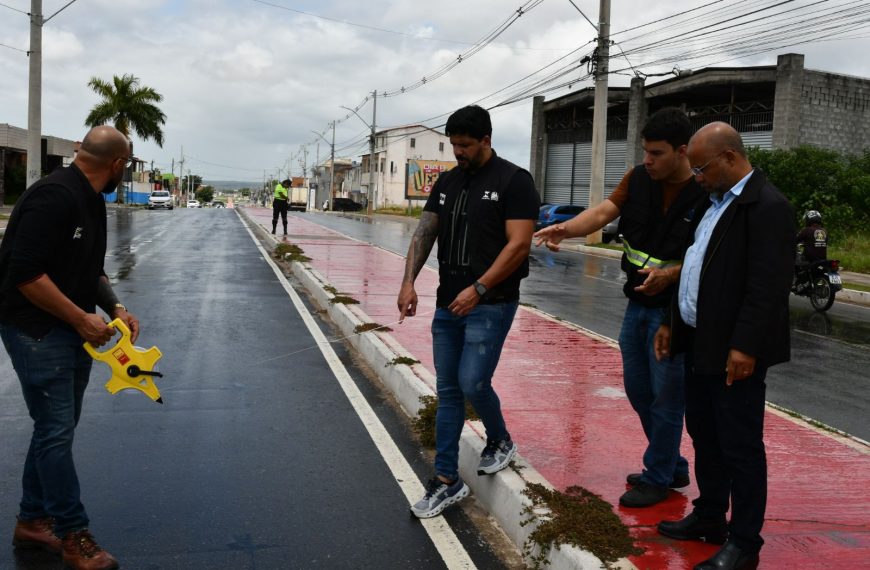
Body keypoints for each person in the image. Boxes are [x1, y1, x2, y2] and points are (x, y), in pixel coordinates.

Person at [534, 107, 709, 508]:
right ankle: (672, 463)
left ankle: (659, 475)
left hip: (675, 312)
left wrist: (674, 275)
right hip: (638, 305)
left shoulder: (703, 193)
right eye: (645, 151)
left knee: (667, 398)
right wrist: (566, 228)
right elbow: (603, 212)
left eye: (657, 153)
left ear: (682, 152)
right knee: (637, 389)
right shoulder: (638, 178)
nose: (647, 160)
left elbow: (711, 254)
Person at [654, 122, 794, 570]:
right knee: (705, 436)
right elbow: (692, 268)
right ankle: (710, 516)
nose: (696, 177)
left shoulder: (766, 206)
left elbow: (767, 286)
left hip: (735, 350)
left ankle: (744, 543)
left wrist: (746, 346)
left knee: (740, 446)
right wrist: (670, 324)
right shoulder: (711, 203)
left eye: (701, 168)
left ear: (730, 158)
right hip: (700, 342)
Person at [0, 126, 141, 570]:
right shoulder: (54, 197)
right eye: (128, 165)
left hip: (68, 329)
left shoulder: (90, 199)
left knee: (53, 429)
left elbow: (89, 270)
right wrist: (81, 319)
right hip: (36, 330)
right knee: (56, 430)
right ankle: (72, 533)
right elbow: (25, 274)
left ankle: (32, 520)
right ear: (117, 165)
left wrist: (115, 307)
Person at [397, 105, 539, 518]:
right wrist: (408, 282)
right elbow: (425, 231)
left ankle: (501, 439)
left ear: (486, 141)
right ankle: (446, 480)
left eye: (464, 145)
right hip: (448, 303)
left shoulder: (514, 181)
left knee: (473, 381)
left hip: (491, 303)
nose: (457, 152)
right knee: (449, 392)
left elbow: (518, 245)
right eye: (454, 145)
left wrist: (479, 289)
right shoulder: (447, 182)